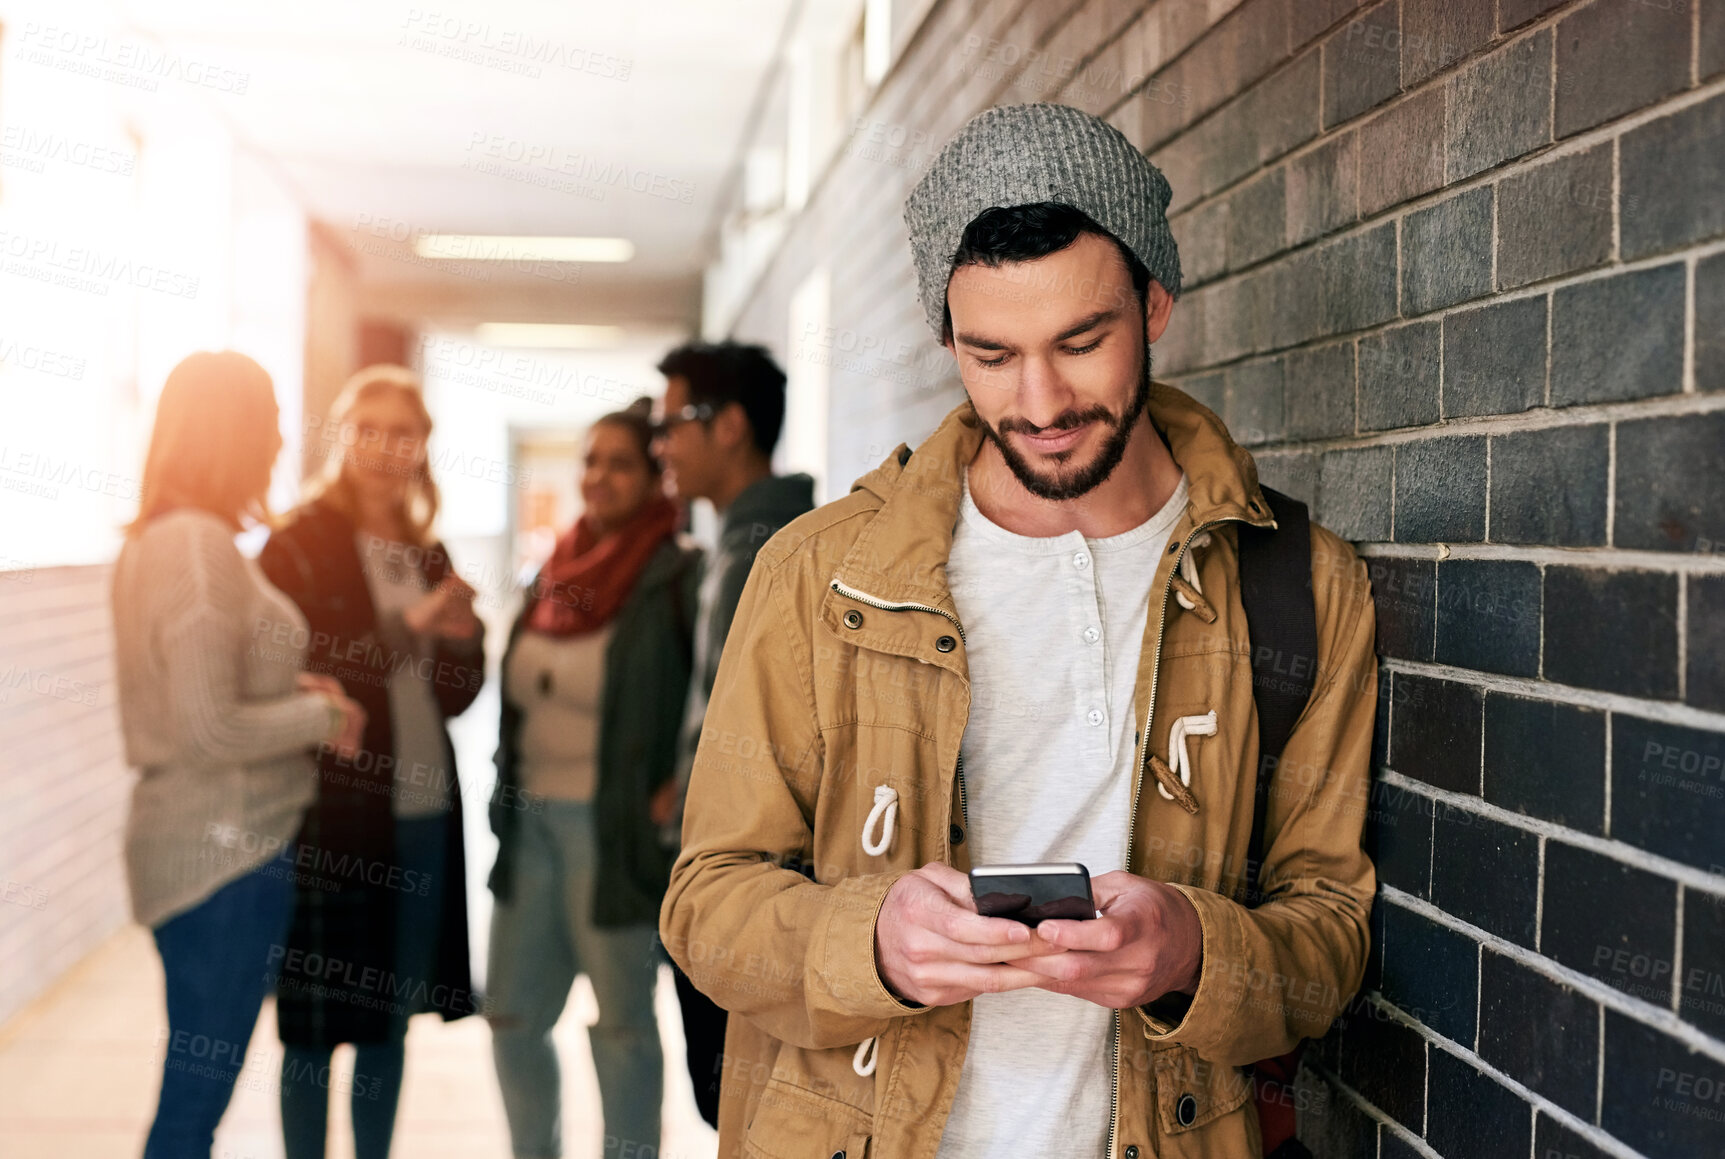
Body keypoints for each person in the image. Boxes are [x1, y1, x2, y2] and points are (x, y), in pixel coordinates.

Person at [661, 102, 1378, 1159]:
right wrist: (872, 943)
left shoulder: (1299, 584)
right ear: (947, 338)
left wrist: (1193, 950)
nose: (1040, 400)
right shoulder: (819, 576)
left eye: (1082, 342)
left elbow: (1328, 934)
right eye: (991, 354)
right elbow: (708, 905)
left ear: (1157, 302)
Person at [113, 350, 366, 1159]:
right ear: (231, 433)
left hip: (209, 849)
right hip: (218, 856)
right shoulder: (195, 547)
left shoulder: (176, 539)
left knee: (195, 1092)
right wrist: (321, 715)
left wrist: (291, 684)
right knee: (193, 1105)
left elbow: (201, 686)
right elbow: (208, 728)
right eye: (269, 424)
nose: (279, 441)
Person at [258, 365, 486, 1159]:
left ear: (423, 447)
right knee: (316, 1022)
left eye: (405, 433)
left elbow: (454, 696)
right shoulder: (300, 545)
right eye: (370, 429)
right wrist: (413, 625)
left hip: (423, 816)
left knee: (390, 1017)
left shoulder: (427, 552)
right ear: (342, 437)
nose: (387, 448)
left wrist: (458, 637)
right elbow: (295, 672)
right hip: (334, 813)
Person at [487, 399, 700, 1159]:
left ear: (652, 477)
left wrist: (688, 778)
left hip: (614, 834)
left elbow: (716, 689)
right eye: (590, 460)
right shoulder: (552, 569)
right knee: (510, 1016)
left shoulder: (676, 574)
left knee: (621, 1028)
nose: (598, 476)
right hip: (529, 825)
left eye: (619, 462)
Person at [648, 341, 815, 1124]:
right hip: (729, 865)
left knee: (742, 1106)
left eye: (672, 423)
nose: (661, 446)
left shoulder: (771, 547)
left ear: (730, 426)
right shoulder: (738, 538)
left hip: (751, 883)